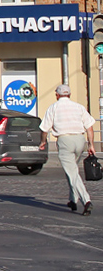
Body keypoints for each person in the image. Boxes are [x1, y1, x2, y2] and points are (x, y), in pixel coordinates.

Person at [39, 83, 96, 215]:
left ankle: (86, 200)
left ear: (57, 95)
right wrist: (91, 144)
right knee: (72, 170)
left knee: (72, 173)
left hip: (65, 141)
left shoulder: (53, 107)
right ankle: (73, 199)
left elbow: (44, 128)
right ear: (69, 95)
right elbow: (90, 127)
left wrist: (43, 142)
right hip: (80, 140)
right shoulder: (79, 107)